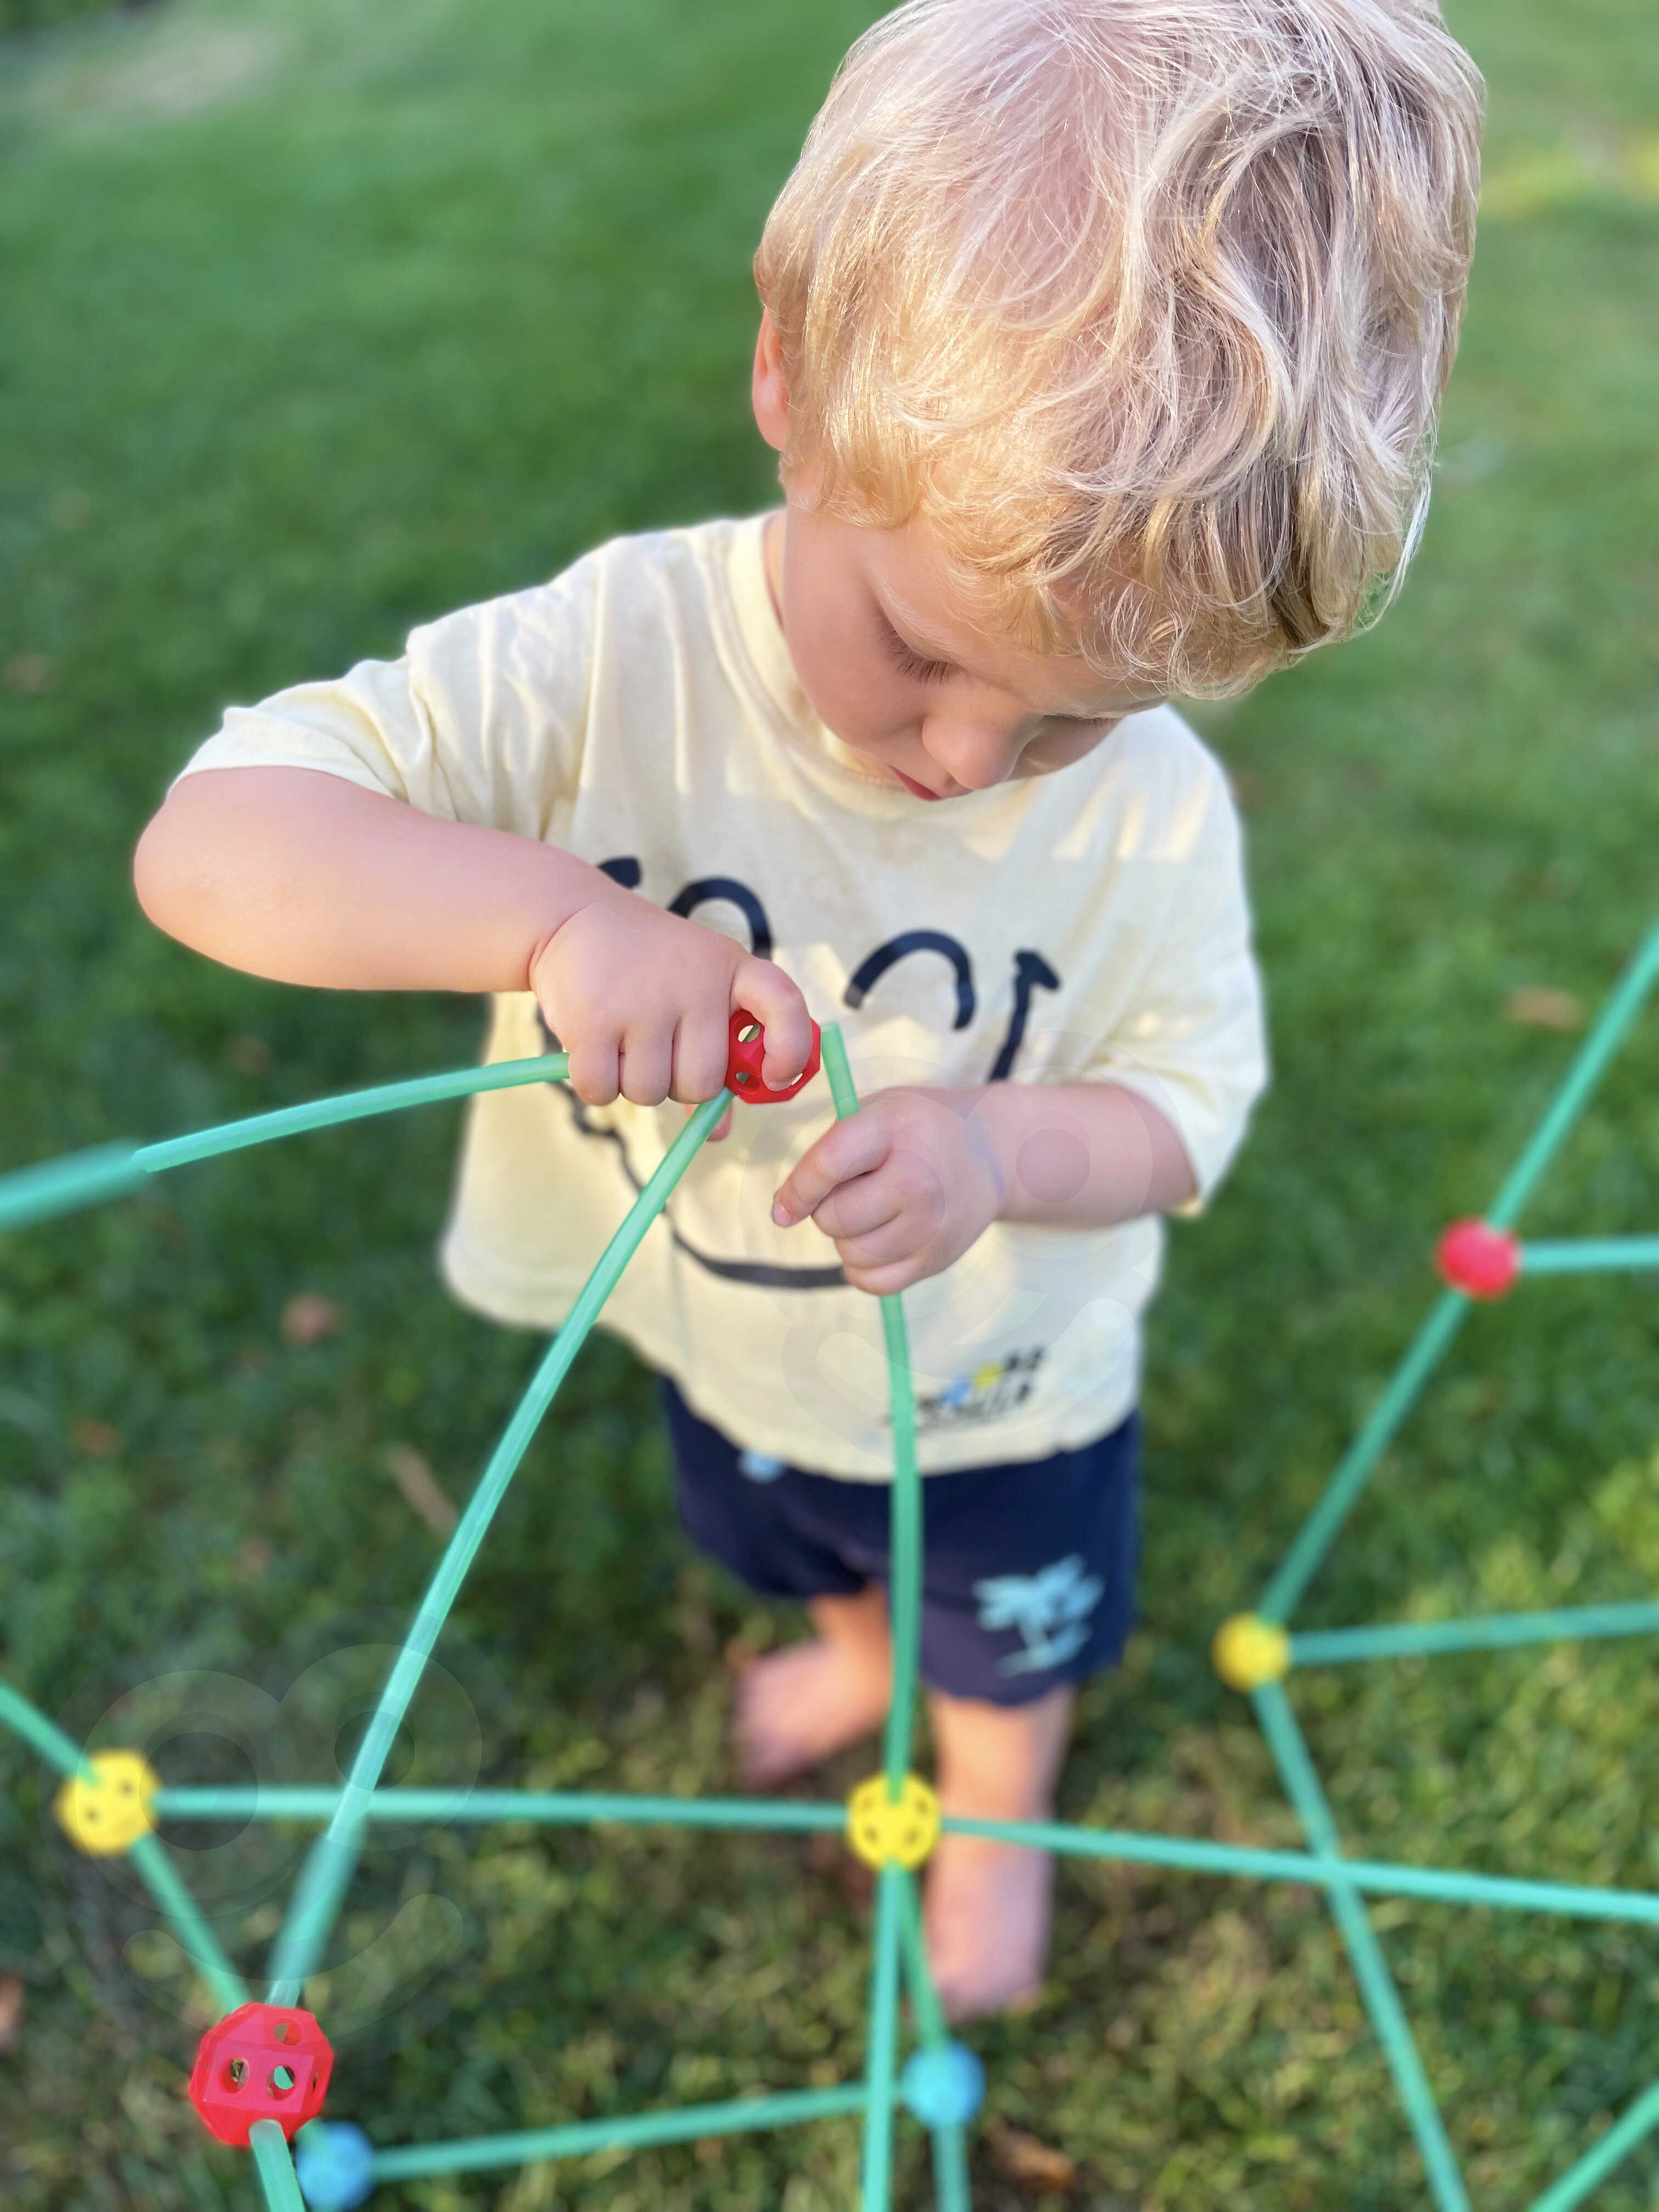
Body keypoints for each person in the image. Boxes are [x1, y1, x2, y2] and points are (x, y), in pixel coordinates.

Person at [132, 0, 1482, 2021]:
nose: (969, 759)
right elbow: (213, 843)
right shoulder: (614, 658)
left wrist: (995, 1149)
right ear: (789, 368)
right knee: (803, 1544)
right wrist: (555, 922)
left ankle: (1001, 1822)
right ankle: (862, 1659)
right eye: (926, 652)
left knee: (1009, 1645)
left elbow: (1192, 1107)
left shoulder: (1152, 819)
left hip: (1005, 1386)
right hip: (730, 1336)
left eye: (1079, 718)